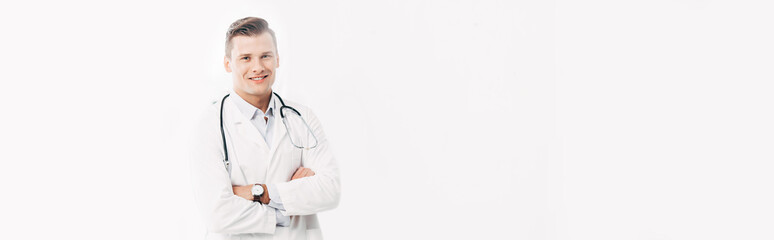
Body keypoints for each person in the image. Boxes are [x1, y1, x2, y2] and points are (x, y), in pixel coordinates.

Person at [190, 17, 341, 240]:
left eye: (265, 56)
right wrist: (287, 207)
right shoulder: (210, 125)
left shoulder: (301, 117)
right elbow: (217, 214)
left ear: (277, 59)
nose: (258, 67)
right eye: (245, 58)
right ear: (228, 64)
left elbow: (330, 190)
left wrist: (257, 192)